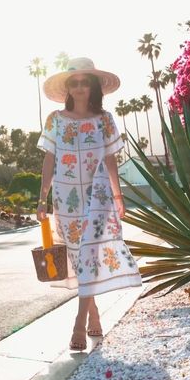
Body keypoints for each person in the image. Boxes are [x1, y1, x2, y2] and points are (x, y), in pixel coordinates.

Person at [36, 57, 142, 351]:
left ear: (93, 86)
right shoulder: (55, 120)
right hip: (65, 198)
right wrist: (42, 197)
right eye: (75, 82)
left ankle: (79, 324)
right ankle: (93, 311)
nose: (80, 87)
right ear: (68, 87)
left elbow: (110, 158)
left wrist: (118, 196)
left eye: (85, 82)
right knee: (78, 257)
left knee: (90, 255)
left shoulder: (105, 120)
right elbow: (49, 159)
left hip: (99, 196)